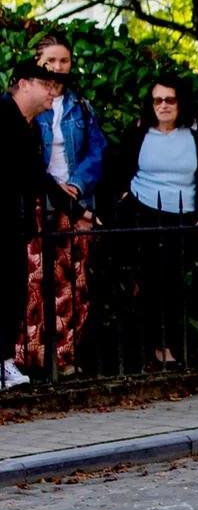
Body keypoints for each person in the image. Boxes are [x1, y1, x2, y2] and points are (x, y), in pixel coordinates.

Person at [105, 73, 198, 366]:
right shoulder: (140, 132)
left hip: (183, 217)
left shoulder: (197, 134)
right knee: (143, 283)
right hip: (142, 213)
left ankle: (167, 346)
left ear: (180, 103)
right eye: (157, 100)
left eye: (170, 99)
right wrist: (122, 197)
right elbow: (118, 166)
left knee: (173, 286)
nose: (164, 105)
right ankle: (145, 350)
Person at [22, 32, 105, 375]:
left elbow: (96, 152)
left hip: (74, 202)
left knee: (72, 284)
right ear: (37, 63)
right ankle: (30, 358)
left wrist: (75, 185)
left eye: (64, 60)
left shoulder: (80, 107)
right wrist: (51, 188)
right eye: (51, 60)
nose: (58, 67)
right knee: (34, 285)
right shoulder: (26, 105)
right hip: (37, 203)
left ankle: (65, 357)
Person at [2, 59, 70, 387]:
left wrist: (75, 207)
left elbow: (36, 177)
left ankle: (3, 363)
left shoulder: (28, 127)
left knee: (12, 293)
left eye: (55, 88)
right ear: (24, 84)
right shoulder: (3, 117)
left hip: (15, 224)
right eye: (47, 86)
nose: (52, 94)